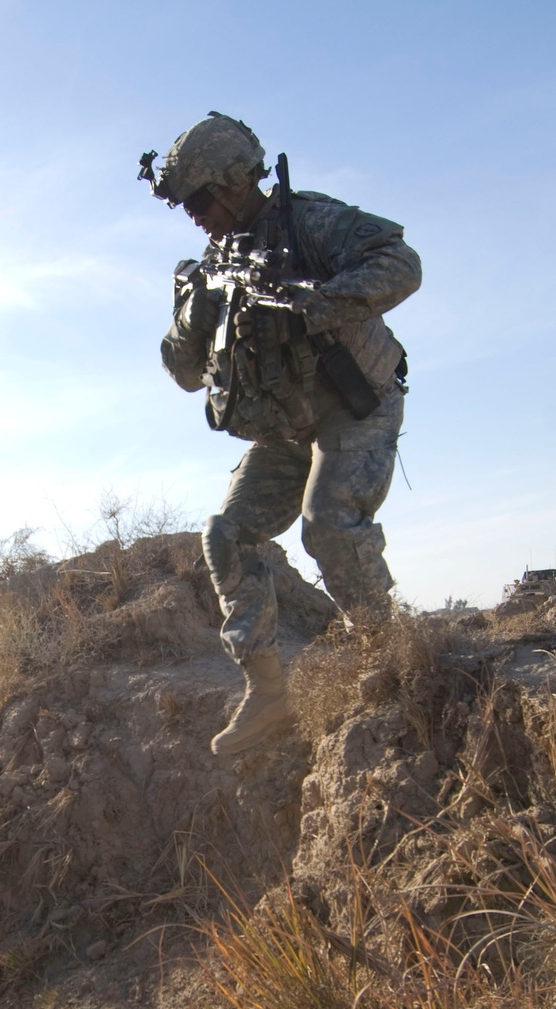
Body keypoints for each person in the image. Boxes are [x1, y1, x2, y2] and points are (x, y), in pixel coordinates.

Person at [140, 114, 421, 755]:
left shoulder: (309, 222)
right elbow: (184, 373)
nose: (195, 217)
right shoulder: (212, 268)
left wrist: (325, 301)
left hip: (355, 404)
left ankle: (390, 656)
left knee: (326, 523)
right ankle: (267, 692)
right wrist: (197, 311)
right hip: (281, 433)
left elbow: (400, 263)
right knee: (226, 536)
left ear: (236, 180)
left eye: (200, 200)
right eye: (185, 206)